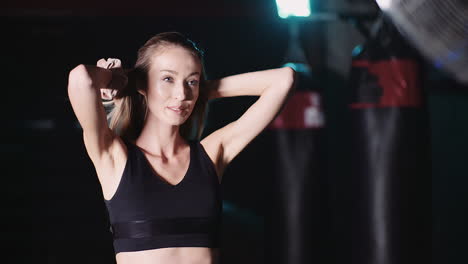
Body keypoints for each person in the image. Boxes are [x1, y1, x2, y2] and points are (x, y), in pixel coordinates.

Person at [67, 31, 296, 264]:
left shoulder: (212, 154)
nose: (181, 93)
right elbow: (81, 78)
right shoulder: (114, 158)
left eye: (192, 81)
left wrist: (202, 92)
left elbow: (284, 79)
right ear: (143, 84)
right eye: (168, 79)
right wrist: (120, 79)